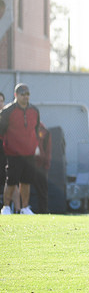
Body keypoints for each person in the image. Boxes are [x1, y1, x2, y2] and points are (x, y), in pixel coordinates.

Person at [0, 84, 41, 215]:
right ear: (16, 95)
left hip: (29, 152)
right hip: (13, 153)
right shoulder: (7, 111)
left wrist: (36, 146)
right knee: (11, 181)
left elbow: (36, 130)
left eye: (27, 94)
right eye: (23, 94)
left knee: (26, 181)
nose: (25, 97)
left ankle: (25, 208)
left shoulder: (34, 110)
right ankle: (6, 207)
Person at [32, 122, 51, 213]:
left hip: (40, 165)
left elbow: (48, 149)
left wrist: (46, 164)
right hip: (27, 162)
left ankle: (43, 210)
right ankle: (21, 208)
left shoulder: (44, 132)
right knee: (23, 186)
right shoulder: (23, 128)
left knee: (42, 189)